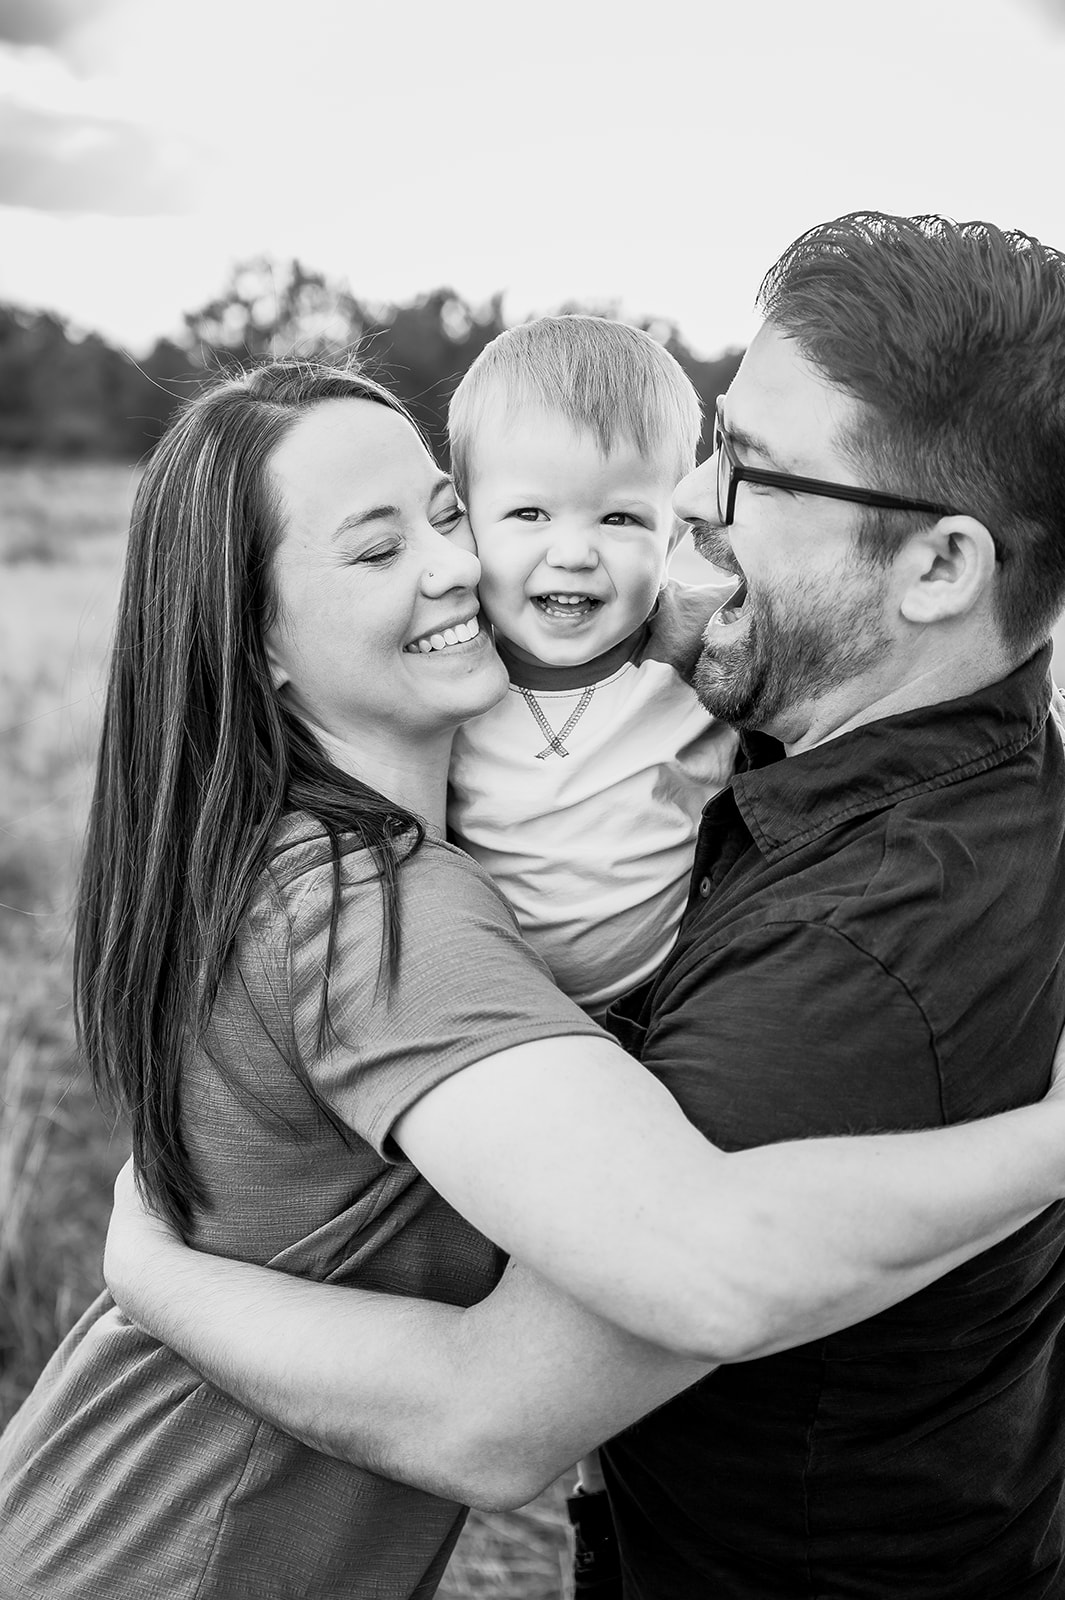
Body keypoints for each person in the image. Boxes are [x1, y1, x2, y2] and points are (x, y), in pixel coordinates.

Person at [99, 214, 1065, 1599]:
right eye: (414, 533)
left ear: (941, 570)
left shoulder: (847, 951)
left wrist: (153, 1278)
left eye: (744, 467)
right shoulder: (961, 752)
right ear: (255, 639)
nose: (692, 507)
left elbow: (518, 1397)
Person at [445, 314, 737, 1015]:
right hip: (495, 1009)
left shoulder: (708, 644)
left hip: (668, 999)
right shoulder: (447, 663)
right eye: (529, 514)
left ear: (673, 535)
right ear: (465, 518)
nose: (573, 553)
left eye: (619, 519)